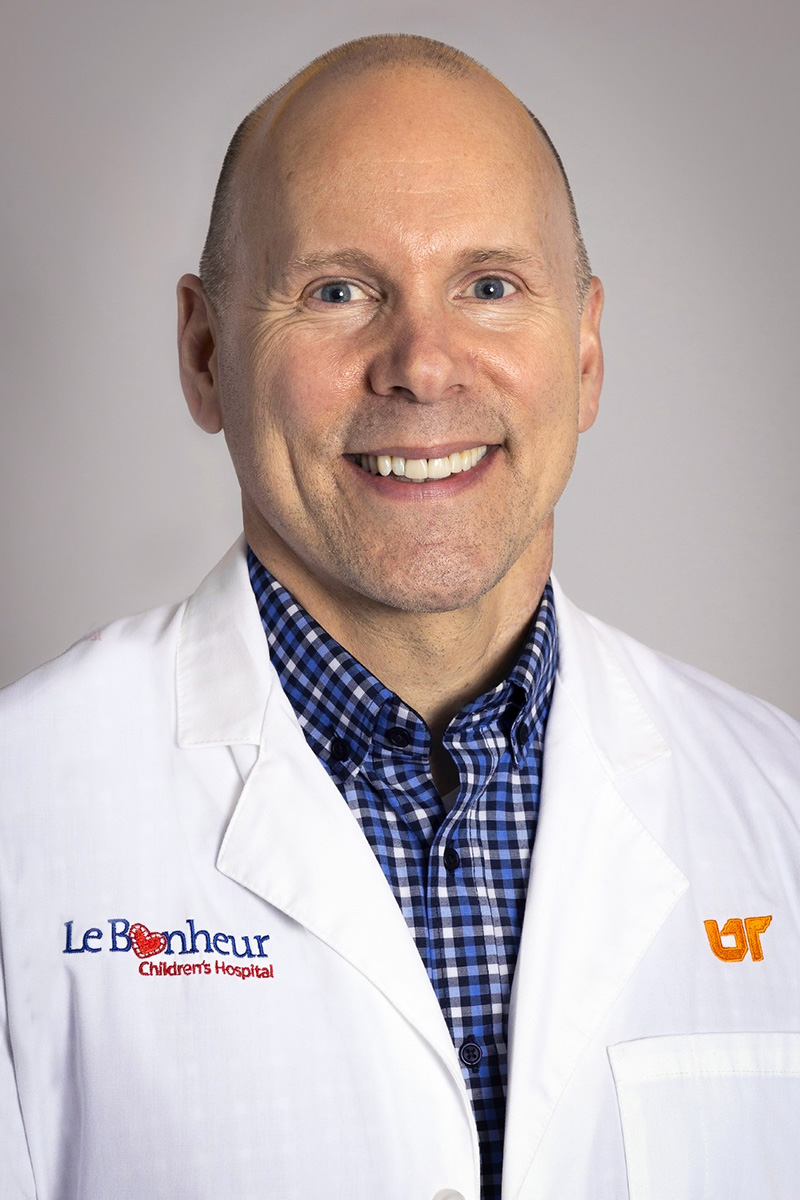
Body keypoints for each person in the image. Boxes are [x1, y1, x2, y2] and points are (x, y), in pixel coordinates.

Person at [2, 32, 799, 1200]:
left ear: (583, 350)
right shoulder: (21, 814)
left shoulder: (778, 807)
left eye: (489, 287)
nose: (423, 366)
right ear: (205, 352)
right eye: (337, 291)